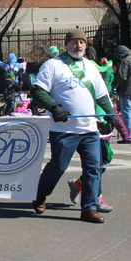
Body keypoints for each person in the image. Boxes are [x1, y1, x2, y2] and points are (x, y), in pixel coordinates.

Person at [31, 28, 116, 224]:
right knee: (58, 166)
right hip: (63, 130)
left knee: (93, 169)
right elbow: (38, 91)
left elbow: (102, 95)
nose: (78, 45)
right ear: (66, 45)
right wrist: (54, 107)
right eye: (74, 42)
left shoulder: (91, 66)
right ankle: (41, 194)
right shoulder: (53, 65)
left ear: (86, 45)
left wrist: (111, 116)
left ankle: (88, 209)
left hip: (89, 129)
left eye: (81, 42)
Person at [114, 45, 131, 143]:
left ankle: (128, 135)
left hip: (127, 90)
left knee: (126, 113)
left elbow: (122, 77)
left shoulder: (125, 61)